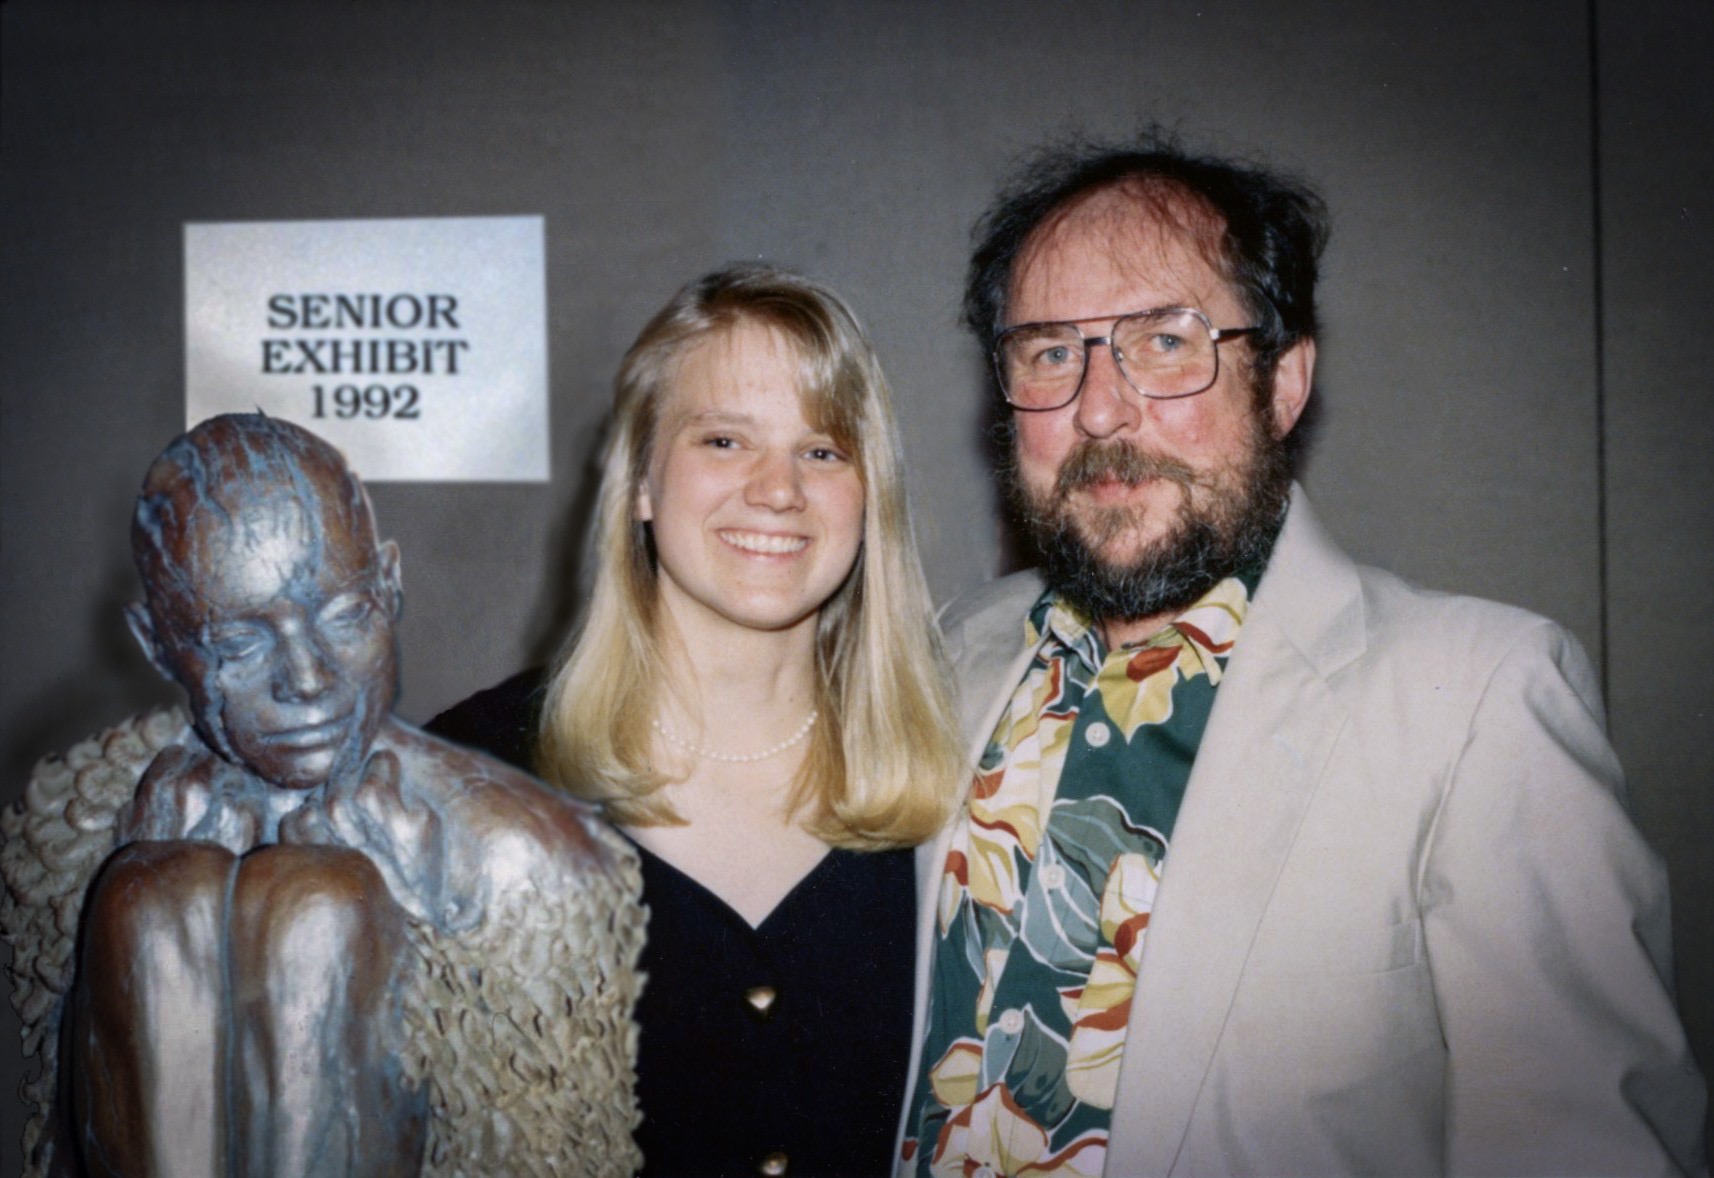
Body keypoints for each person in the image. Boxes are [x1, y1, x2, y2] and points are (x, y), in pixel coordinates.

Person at [897, 136, 1709, 1177]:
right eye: (1051, 352)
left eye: (1163, 341)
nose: (1099, 408)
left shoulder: (1477, 699)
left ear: (1282, 381)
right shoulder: (939, 658)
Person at [0, 414, 643, 1177]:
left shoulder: (516, 853)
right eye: (237, 644)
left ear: (390, 583)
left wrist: (448, 941)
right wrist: (132, 903)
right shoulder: (80, 821)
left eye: (345, 615)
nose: (307, 679)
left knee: (316, 902)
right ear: (156, 644)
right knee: (154, 899)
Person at [429, 264, 966, 1177]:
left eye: (825, 450)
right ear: (641, 479)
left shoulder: (967, 772)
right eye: (724, 440)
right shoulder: (471, 776)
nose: (778, 489)